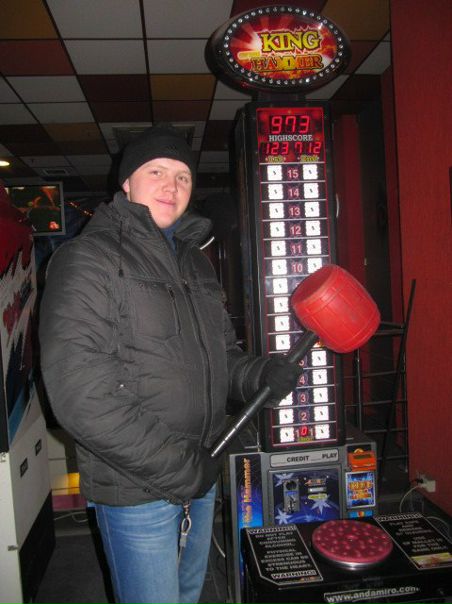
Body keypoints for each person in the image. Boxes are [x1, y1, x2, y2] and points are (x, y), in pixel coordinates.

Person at [38, 125, 302, 604]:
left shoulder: (194, 262)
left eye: (183, 176)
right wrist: (183, 467)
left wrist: (258, 374)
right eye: (156, 171)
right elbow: (81, 396)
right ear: (126, 183)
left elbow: (221, 356)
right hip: (138, 486)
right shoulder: (88, 259)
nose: (172, 185)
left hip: (201, 468)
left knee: (186, 593)